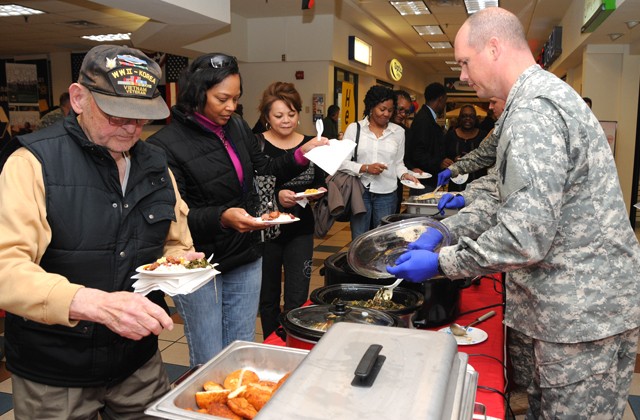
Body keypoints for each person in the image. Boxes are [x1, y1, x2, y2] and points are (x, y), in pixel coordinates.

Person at [388, 8, 640, 419]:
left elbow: (524, 236)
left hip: (581, 312)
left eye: (465, 63)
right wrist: (444, 228)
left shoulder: (533, 113)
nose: (464, 77)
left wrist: (442, 261)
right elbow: (498, 190)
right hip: (567, 309)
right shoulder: (528, 104)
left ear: (494, 47)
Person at [0, 44, 198, 419]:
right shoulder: (31, 163)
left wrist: (180, 262)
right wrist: (94, 304)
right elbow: (6, 269)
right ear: (78, 98)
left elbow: (174, 242)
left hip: (138, 362)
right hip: (55, 372)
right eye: (116, 114)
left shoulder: (156, 164)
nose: (131, 128)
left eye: (141, 118)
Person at [147, 53, 328, 366]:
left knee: (239, 349)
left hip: (244, 254)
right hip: (199, 264)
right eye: (222, 98)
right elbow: (178, 215)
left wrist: (302, 154)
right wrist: (223, 217)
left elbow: (266, 169)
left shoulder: (237, 127)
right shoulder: (166, 144)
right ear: (196, 93)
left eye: (236, 98)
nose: (231, 106)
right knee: (208, 357)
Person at [256, 82, 327, 338]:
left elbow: (318, 180)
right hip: (267, 232)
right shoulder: (258, 146)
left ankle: (295, 344)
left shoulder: (311, 144)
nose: (286, 121)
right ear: (266, 117)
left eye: (291, 114)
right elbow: (254, 186)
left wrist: (317, 192)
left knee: (297, 296)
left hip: (301, 227)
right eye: (278, 115)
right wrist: (276, 196)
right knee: (268, 298)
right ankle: (270, 342)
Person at [338, 85, 417, 240]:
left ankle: (378, 265)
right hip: (360, 192)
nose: (386, 114)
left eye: (390, 110)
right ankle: (358, 264)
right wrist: (365, 168)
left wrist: (405, 175)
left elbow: (398, 163)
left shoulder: (398, 132)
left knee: (384, 239)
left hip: (387, 194)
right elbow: (342, 163)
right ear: (371, 107)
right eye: (382, 109)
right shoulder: (355, 129)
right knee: (360, 238)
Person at [436, 97, 505, 211]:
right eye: (464, 116)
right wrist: (452, 169)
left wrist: (465, 197)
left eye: (494, 102)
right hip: (477, 190)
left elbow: (497, 178)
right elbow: (481, 156)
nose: (490, 107)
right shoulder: (498, 130)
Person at [404, 82, 451, 193]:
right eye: (445, 101)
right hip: (424, 180)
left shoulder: (427, 117)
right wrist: (439, 162)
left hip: (428, 179)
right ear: (440, 99)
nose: (444, 105)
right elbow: (418, 152)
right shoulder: (424, 120)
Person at [441, 104, 487, 191]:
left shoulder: (484, 136)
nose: (468, 119)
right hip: (456, 184)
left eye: (471, 116)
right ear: (459, 118)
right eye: (464, 116)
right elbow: (442, 156)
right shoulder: (450, 136)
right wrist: (447, 161)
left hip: (478, 185)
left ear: (476, 119)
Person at [392, 89, 413, 212]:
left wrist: (412, 169)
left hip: (395, 187)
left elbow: (404, 160)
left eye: (406, 111)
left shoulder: (405, 132)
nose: (403, 114)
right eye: (400, 109)